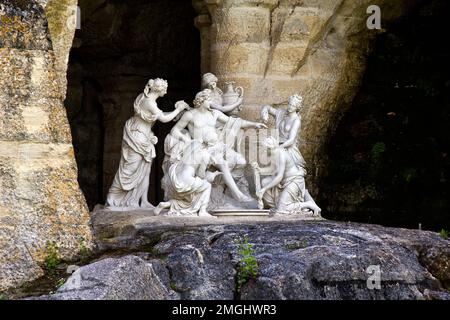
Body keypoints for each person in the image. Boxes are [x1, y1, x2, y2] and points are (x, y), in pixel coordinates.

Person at [163, 88, 266, 202]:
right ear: (201, 100)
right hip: (203, 149)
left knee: (241, 162)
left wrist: (254, 124)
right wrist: (187, 141)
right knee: (223, 163)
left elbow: (235, 122)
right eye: (209, 100)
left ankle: (220, 185)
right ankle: (239, 195)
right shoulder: (190, 115)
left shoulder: (215, 113)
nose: (212, 103)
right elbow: (175, 130)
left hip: (219, 146)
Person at [105, 78, 189, 209]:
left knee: (145, 170)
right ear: (159, 89)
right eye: (165, 89)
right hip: (137, 136)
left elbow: (159, 115)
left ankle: (143, 200)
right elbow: (163, 118)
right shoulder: (149, 102)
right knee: (129, 169)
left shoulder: (144, 97)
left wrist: (176, 113)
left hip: (143, 136)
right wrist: (178, 109)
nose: (166, 92)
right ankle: (112, 196)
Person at [155, 132, 221, 217]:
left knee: (190, 199)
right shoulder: (205, 155)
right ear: (212, 144)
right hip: (185, 180)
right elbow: (200, 175)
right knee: (207, 186)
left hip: (175, 176)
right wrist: (211, 173)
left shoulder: (194, 144)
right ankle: (202, 211)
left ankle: (166, 204)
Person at [256, 137, 321, 215]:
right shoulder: (273, 154)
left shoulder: (281, 154)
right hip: (284, 181)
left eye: (263, 148)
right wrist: (259, 169)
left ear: (268, 147)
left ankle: (308, 204)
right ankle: (278, 205)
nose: (263, 150)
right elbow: (272, 170)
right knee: (265, 182)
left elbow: (279, 176)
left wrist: (264, 189)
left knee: (283, 208)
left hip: (294, 180)